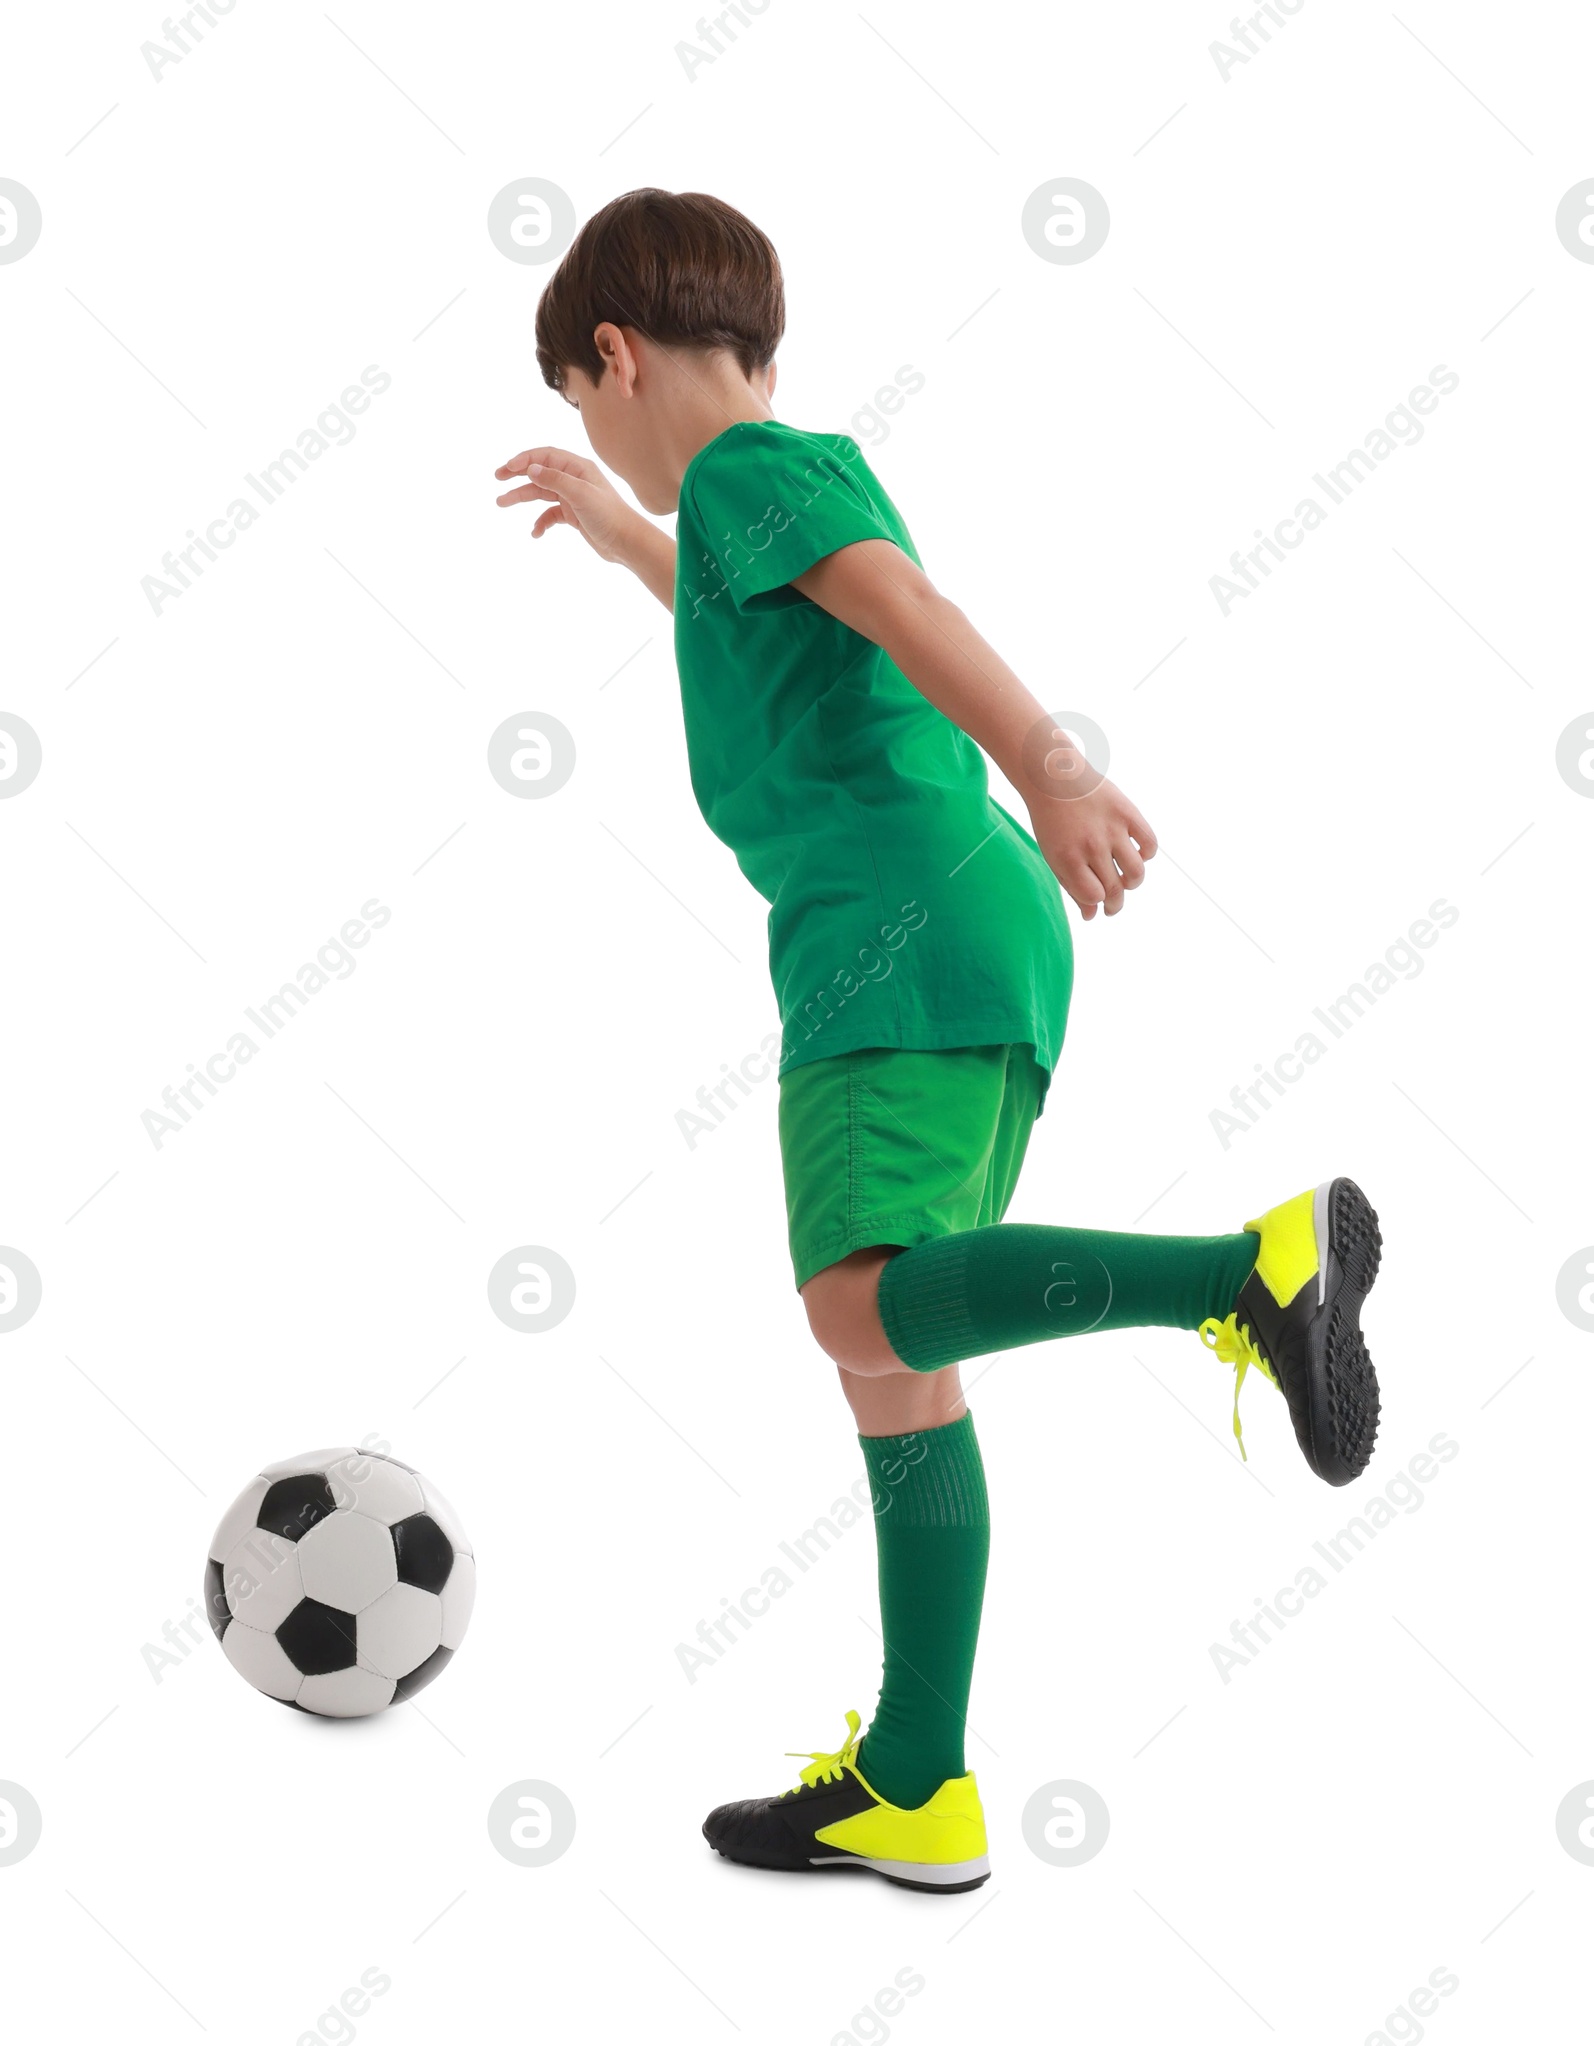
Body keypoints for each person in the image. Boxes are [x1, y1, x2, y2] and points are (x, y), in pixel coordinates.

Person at [495, 188, 1382, 1894]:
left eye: (582, 403)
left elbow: (898, 601)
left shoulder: (758, 466)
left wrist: (1053, 759)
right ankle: (917, 1783)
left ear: (610, 355)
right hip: (971, 925)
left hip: (885, 931)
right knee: (898, 1368)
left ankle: (1242, 1271)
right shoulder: (755, 505)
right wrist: (621, 535)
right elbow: (768, 614)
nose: (596, 436)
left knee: (856, 1295)